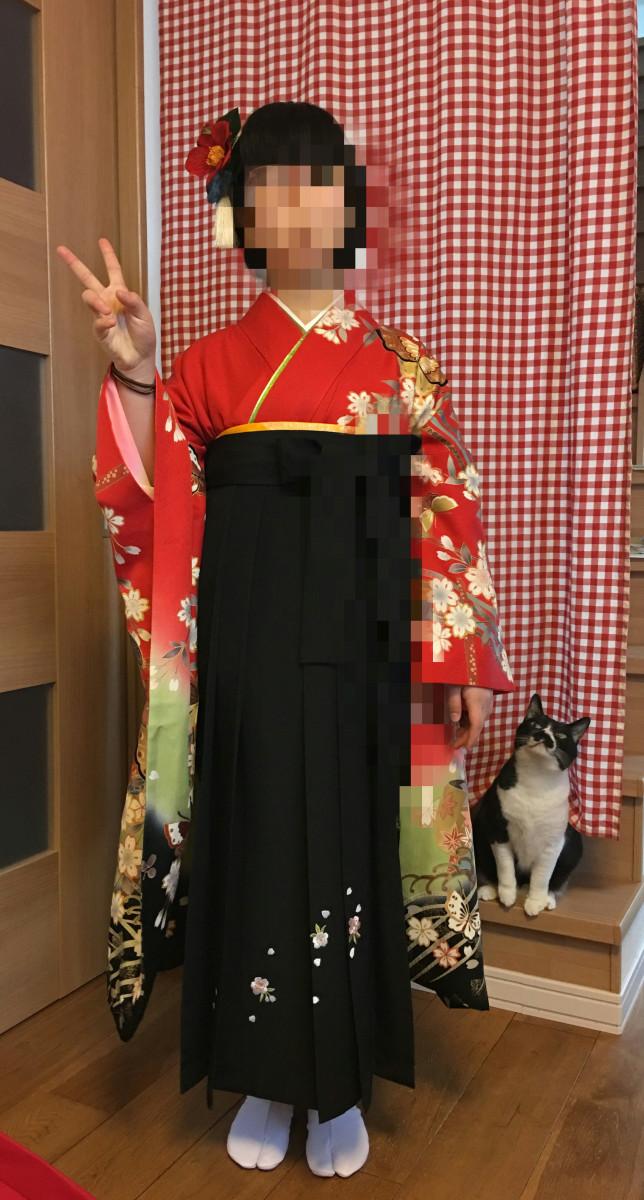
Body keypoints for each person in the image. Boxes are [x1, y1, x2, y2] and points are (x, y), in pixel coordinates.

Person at [57, 101, 516, 1179]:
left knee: (352, 836)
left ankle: (340, 1084)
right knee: (254, 833)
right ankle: (261, 1076)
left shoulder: (400, 366)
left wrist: (456, 659)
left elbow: (445, 512)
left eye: (321, 183)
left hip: (367, 652)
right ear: (243, 217)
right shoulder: (204, 369)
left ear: (348, 208)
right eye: (271, 186)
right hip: (246, 651)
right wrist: (136, 374)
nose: (299, 204)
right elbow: (152, 504)